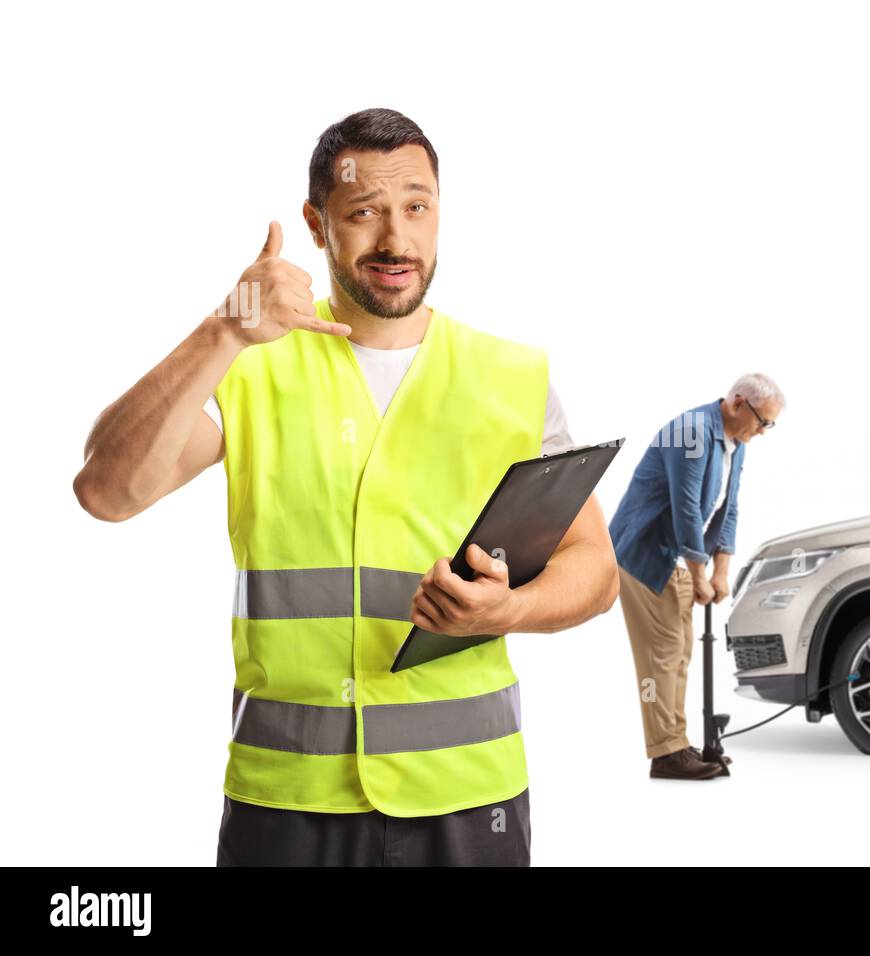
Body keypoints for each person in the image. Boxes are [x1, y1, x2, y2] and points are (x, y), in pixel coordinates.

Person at [73, 108, 619, 866]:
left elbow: (596, 569)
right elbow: (106, 490)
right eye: (365, 212)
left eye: (417, 207)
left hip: (470, 798)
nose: (397, 239)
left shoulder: (513, 377)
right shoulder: (249, 364)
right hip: (287, 799)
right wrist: (222, 328)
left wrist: (512, 608)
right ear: (316, 223)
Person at [608, 375, 785, 779]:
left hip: (681, 557)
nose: (762, 431)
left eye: (769, 424)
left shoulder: (735, 442)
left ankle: (677, 742)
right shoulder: (690, 431)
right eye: (762, 421)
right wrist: (700, 573)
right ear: (738, 403)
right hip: (645, 554)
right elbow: (685, 507)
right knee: (660, 656)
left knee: (680, 651)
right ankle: (665, 752)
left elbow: (729, 507)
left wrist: (721, 571)